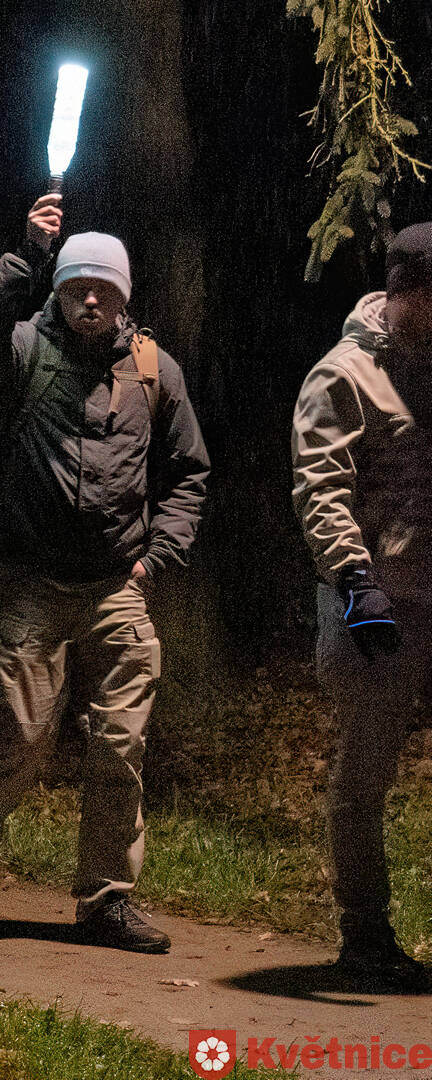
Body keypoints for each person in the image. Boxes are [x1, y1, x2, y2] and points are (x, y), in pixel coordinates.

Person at [0, 195, 209, 954]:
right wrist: (26, 254)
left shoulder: (154, 371)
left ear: (123, 296)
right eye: (77, 287)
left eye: (104, 289)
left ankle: (107, 900)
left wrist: (159, 556)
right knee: (20, 738)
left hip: (118, 584)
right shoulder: (22, 351)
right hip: (32, 582)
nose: (91, 300)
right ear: (58, 291)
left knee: (121, 746)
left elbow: (188, 473)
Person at [290, 222, 432, 992]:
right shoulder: (345, 375)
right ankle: (366, 933)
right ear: (406, 292)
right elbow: (322, 488)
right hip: (375, 606)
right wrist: (354, 580)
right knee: (366, 773)